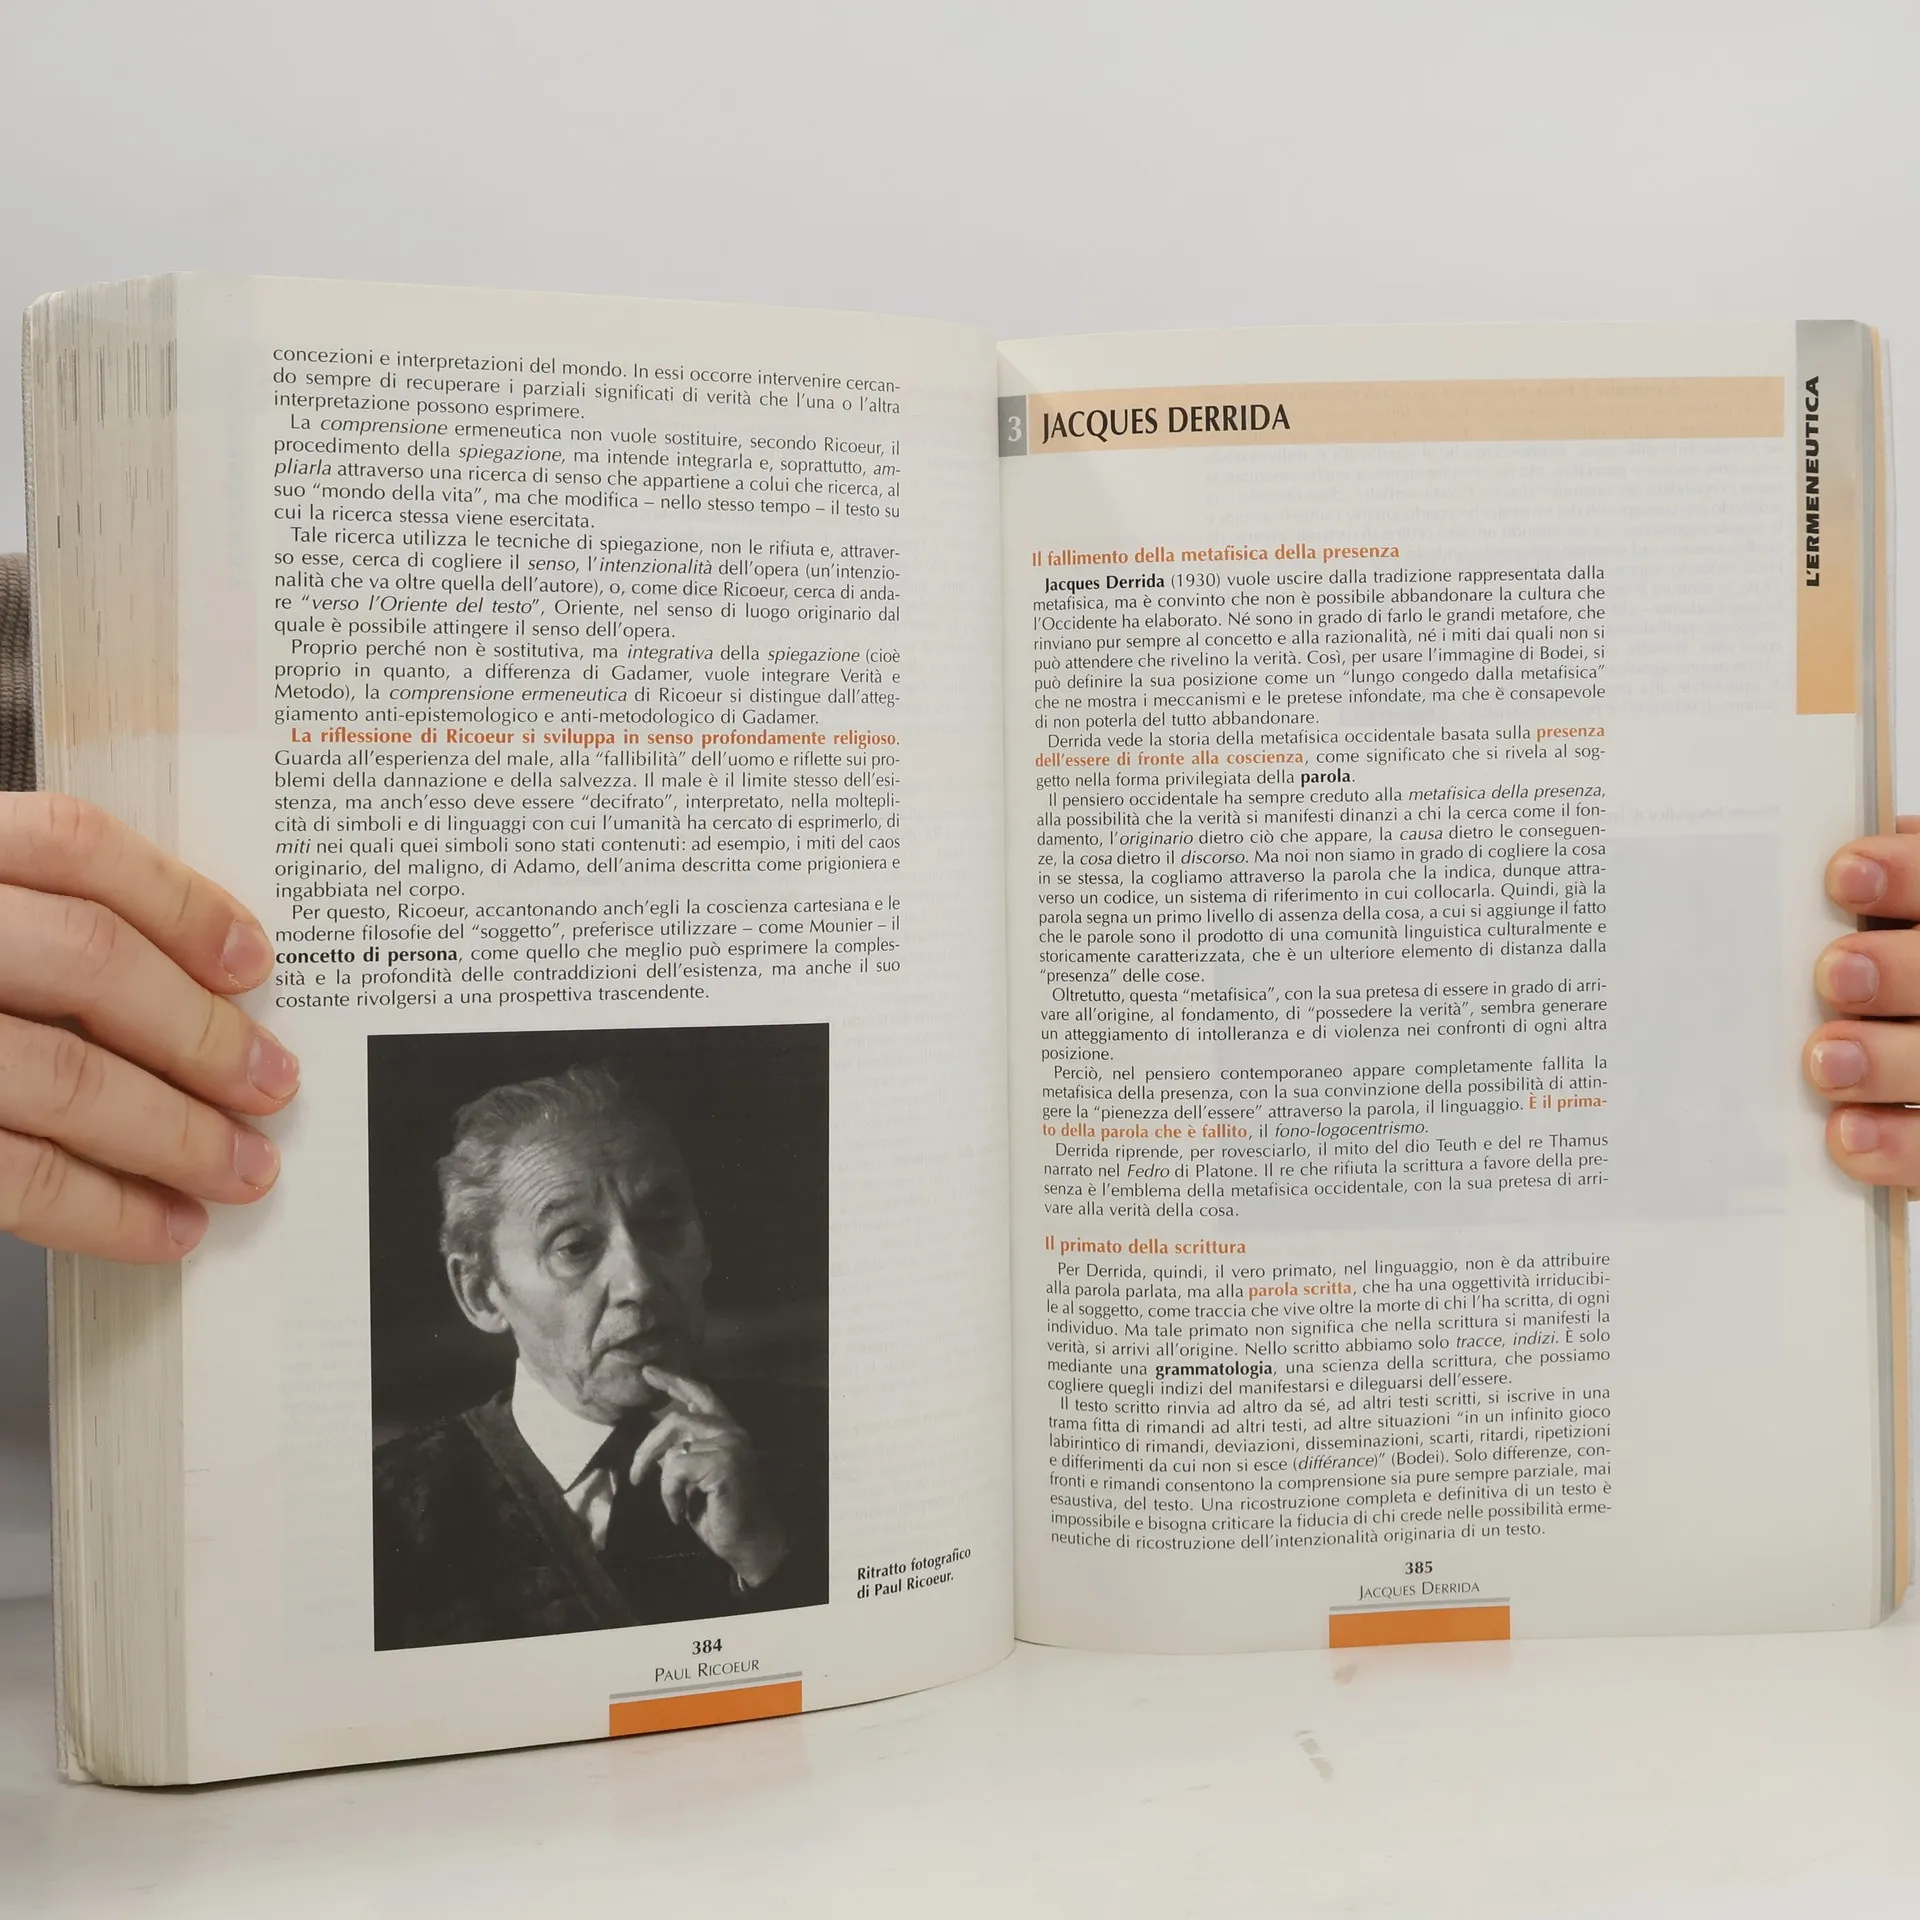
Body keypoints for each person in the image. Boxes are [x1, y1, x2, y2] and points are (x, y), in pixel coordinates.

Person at [371, 1064, 823, 1648]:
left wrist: (767, 1556)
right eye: (576, 1246)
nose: (638, 1282)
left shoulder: (826, 1439)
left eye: (664, 1225)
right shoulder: (388, 1519)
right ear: (481, 1293)